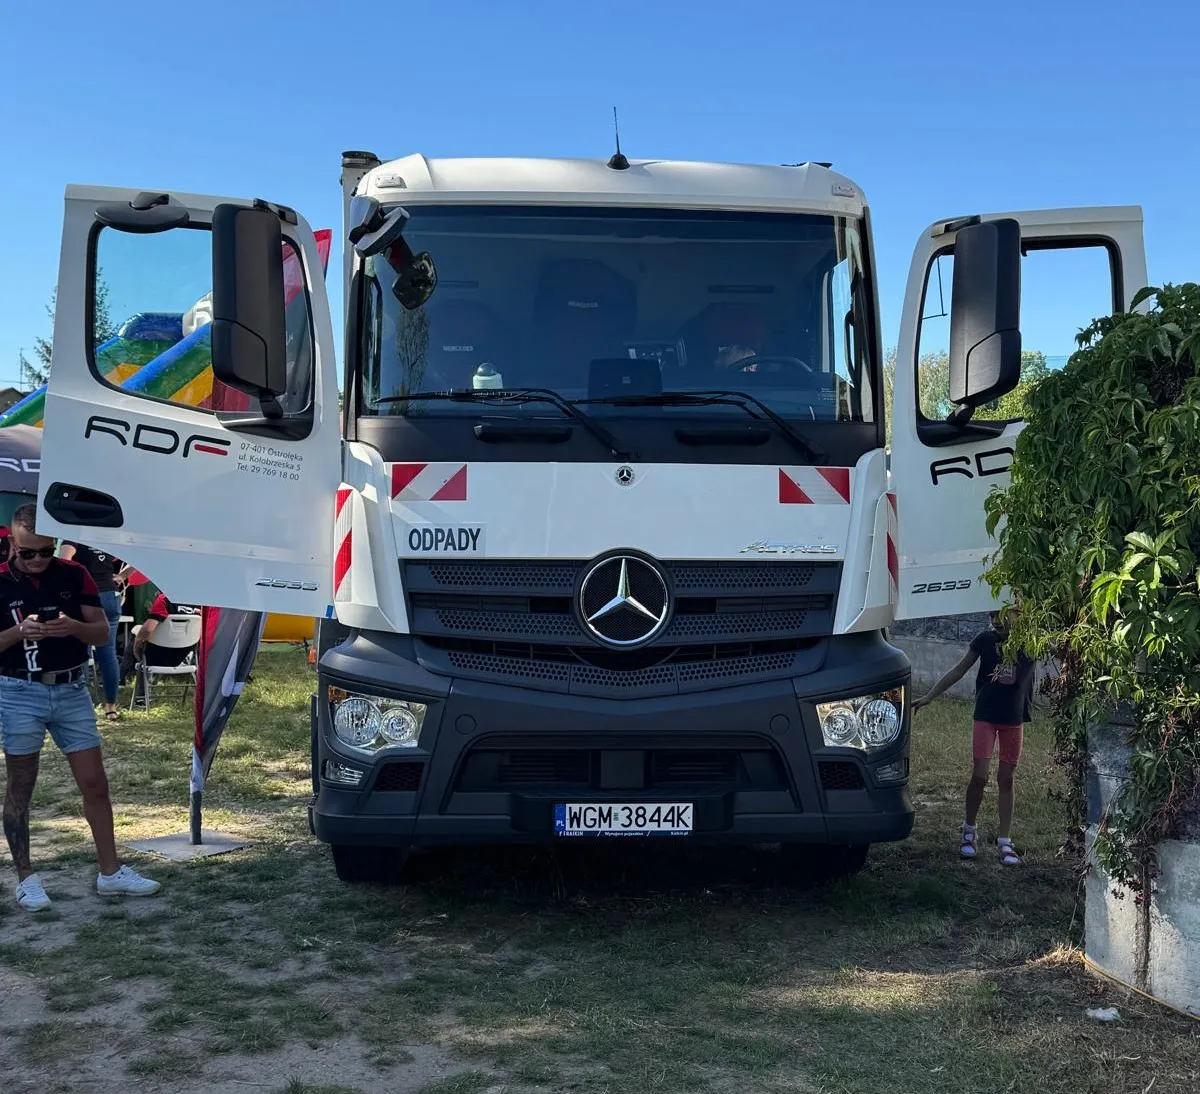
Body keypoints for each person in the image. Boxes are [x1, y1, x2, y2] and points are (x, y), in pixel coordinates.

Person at [0, 504, 160, 911]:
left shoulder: (75, 574)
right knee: (21, 785)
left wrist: (72, 627)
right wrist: (19, 632)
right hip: (19, 688)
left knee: (95, 782)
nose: (37, 560)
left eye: (45, 551)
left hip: (71, 689)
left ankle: (111, 872)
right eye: (27, 553)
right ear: (11, 545)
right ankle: (26, 878)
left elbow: (102, 633)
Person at [911, 610, 1035, 866]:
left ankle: (1004, 841)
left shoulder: (1031, 642)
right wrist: (929, 696)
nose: (997, 620)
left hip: (1013, 719)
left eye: (1003, 614)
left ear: (1019, 614)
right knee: (980, 775)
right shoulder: (984, 640)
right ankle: (969, 829)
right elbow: (958, 670)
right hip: (986, 716)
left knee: (1007, 779)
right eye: (992, 615)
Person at [58, 541, 124, 722]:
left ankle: (80, 705)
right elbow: (138, 557)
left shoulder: (74, 536)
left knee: (82, 651)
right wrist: (122, 575)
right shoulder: (105, 536)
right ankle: (111, 706)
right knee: (108, 652)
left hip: (87, 596)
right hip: (110, 595)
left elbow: (64, 560)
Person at [121, 590, 201, 703]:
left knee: (137, 633)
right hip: (182, 655)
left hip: (156, 656)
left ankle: (127, 684)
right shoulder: (199, 602)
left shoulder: (164, 599)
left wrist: (136, 646)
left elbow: (148, 629)